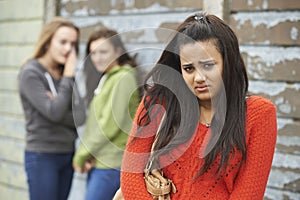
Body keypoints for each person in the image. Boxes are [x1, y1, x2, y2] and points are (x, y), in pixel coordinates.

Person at [120, 12, 277, 199]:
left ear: (228, 62)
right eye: (189, 68)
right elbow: (130, 176)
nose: (199, 78)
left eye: (208, 65)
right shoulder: (158, 102)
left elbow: (249, 193)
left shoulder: (258, 114)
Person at [18, 17, 85, 200]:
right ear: (48, 42)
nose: (68, 49)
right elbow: (55, 113)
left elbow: (80, 116)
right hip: (43, 156)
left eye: (73, 44)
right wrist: (69, 76)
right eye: (62, 42)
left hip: (67, 153)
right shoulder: (31, 73)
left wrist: (58, 105)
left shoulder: (64, 74)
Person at [72, 29, 140, 200]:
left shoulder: (123, 78)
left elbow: (109, 125)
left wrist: (81, 155)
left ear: (118, 51)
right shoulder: (109, 77)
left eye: (103, 51)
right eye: (93, 53)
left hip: (113, 163)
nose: (98, 58)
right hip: (102, 161)